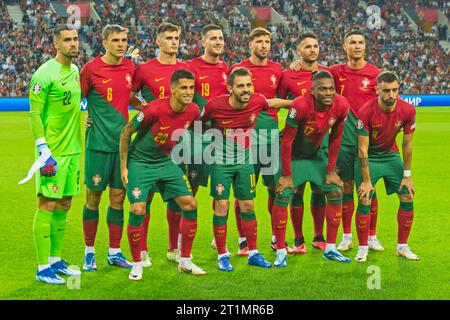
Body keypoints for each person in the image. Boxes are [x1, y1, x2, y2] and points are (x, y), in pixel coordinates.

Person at [290, 31, 383, 252]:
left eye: (361, 42)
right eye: (353, 43)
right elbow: (312, 74)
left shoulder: (375, 74)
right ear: (344, 47)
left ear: (365, 46)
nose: (357, 46)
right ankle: (347, 235)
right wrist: (297, 63)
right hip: (342, 141)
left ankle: (372, 235)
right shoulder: (334, 71)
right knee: (347, 187)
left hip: (367, 141)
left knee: (370, 187)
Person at [202, 67, 292, 271]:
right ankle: (223, 254)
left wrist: (296, 103)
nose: (246, 90)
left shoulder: (257, 101)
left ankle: (253, 252)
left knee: (248, 206)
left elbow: (271, 103)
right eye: (240, 86)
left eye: (248, 85)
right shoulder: (215, 106)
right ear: (230, 88)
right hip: (220, 163)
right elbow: (198, 122)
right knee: (222, 205)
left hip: (244, 162)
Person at [120, 69, 205, 281]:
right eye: (184, 88)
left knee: (190, 204)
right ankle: (137, 263)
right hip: (140, 162)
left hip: (165, 162)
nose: (188, 92)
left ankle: (184, 260)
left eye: (191, 88)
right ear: (172, 89)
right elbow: (127, 131)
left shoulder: (193, 110)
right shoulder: (153, 109)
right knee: (138, 208)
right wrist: (124, 166)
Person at [80, 24, 145, 271]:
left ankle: (114, 252)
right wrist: (86, 115)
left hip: (122, 146)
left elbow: (125, 94)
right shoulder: (91, 69)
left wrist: (141, 106)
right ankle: (89, 253)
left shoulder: (130, 67)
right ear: (104, 42)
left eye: (124, 40)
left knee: (118, 198)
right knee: (93, 198)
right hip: (98, 144)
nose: (121, 43)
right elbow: (79, 97)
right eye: (116, 40)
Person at [275, 70, 351, 266]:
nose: (328, 93)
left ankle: (331, 249)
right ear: (312, 90)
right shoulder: (299, 105)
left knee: (335, 191)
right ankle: (282, 250)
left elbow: (335, 138)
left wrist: (331, 170)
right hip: (293, 156)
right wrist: (286, 175)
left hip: (316, 155)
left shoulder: (341, 105)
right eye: (323, 89)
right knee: (284, 193)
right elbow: (287, 142)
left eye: (331, 89)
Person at [132, 23, 191, 263]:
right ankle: (143, 250)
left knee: (176, 197)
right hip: (148, 143)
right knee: (145, 199)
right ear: (158, 42)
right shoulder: (145, 69)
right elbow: (127, 92)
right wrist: (143, 108)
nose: (174, 42)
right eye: (169, 38)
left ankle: (173, 249)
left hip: (178, 142)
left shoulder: (186, 69)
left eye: (177, 37)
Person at [28, 24, 82, 284]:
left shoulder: (74, 70)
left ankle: (55, 260)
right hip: (52, 152)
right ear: (56, 45)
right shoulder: (43, 74)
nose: (74, 44)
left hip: (73, 150)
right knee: (47, 203)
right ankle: (41, 268)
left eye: (75, 39)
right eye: (68, 40)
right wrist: (42, 148)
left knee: (65, 203)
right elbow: (35, 114)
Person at [230, 28, 292, 254]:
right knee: (243, 190)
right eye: (259, 41)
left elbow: (288, 94)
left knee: (274, 188)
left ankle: (277, 237)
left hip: (270, 137)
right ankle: (243, 240)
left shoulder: (278, 69)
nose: (264, 45)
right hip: (244, 137)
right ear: (250, 44)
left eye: (267, 41)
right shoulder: (238, 69)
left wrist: (294, 67)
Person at [354, 71, 418, 262]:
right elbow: (362, 149)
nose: (391, 95)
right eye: (387, 91)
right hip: (370, 158)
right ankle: (363, 247)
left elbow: (407, 144)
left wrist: (407, 175)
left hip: (391, 156)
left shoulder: (407, 110)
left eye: (395, 90)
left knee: (407, 194)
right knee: (365, 198)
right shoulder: (366, 111)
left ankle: (402, 246)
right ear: (377, 90)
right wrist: (366, 181)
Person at [278, 31, 331, 254]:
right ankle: (298, 239)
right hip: (296, 140)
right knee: (297, 190)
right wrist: (297, 105)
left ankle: (319, 236)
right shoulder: (288, 75)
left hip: (321, 140)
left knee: (320, 189)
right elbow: (278, 100)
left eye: (316, 46)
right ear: (298, 50)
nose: (313, 50)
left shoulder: (328, 74)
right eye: (308, 46)